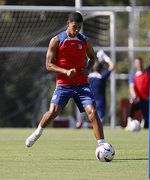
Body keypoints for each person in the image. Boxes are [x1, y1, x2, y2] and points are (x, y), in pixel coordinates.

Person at [26, 12, 105, 147]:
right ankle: (38, 132)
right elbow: (48, 65)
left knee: (93, 112)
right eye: (74, 27)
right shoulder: (56, 40)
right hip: (64, 85)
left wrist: (88, 69)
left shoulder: (85, 40)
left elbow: (91, 58)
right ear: (68, 24)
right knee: (53, 112)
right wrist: (66, 72)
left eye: (79, 27)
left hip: (82, 85)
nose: (76, 30)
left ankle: (102, 145)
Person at [75, 50, 115, 128]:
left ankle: (83, 124)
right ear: (102, 69)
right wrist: (104, 56)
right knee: (100, 123)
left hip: (87, 101)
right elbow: (112, 66)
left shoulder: (87, 76)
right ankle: (84, 125)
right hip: (100, 102)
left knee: (92, 120)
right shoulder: (102, 77)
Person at [127, 48, 150, 129]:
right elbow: (131, 87)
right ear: (135, 64)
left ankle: (144, 123)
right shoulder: (133, 75)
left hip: (147, 101)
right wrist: (133, 95)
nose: (139, 64)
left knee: (147, 125)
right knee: (132, 103)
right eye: (137, 63)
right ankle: (129, 122)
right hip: (138, 100)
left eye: (140, 62)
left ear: (142, 63)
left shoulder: (148, 71)